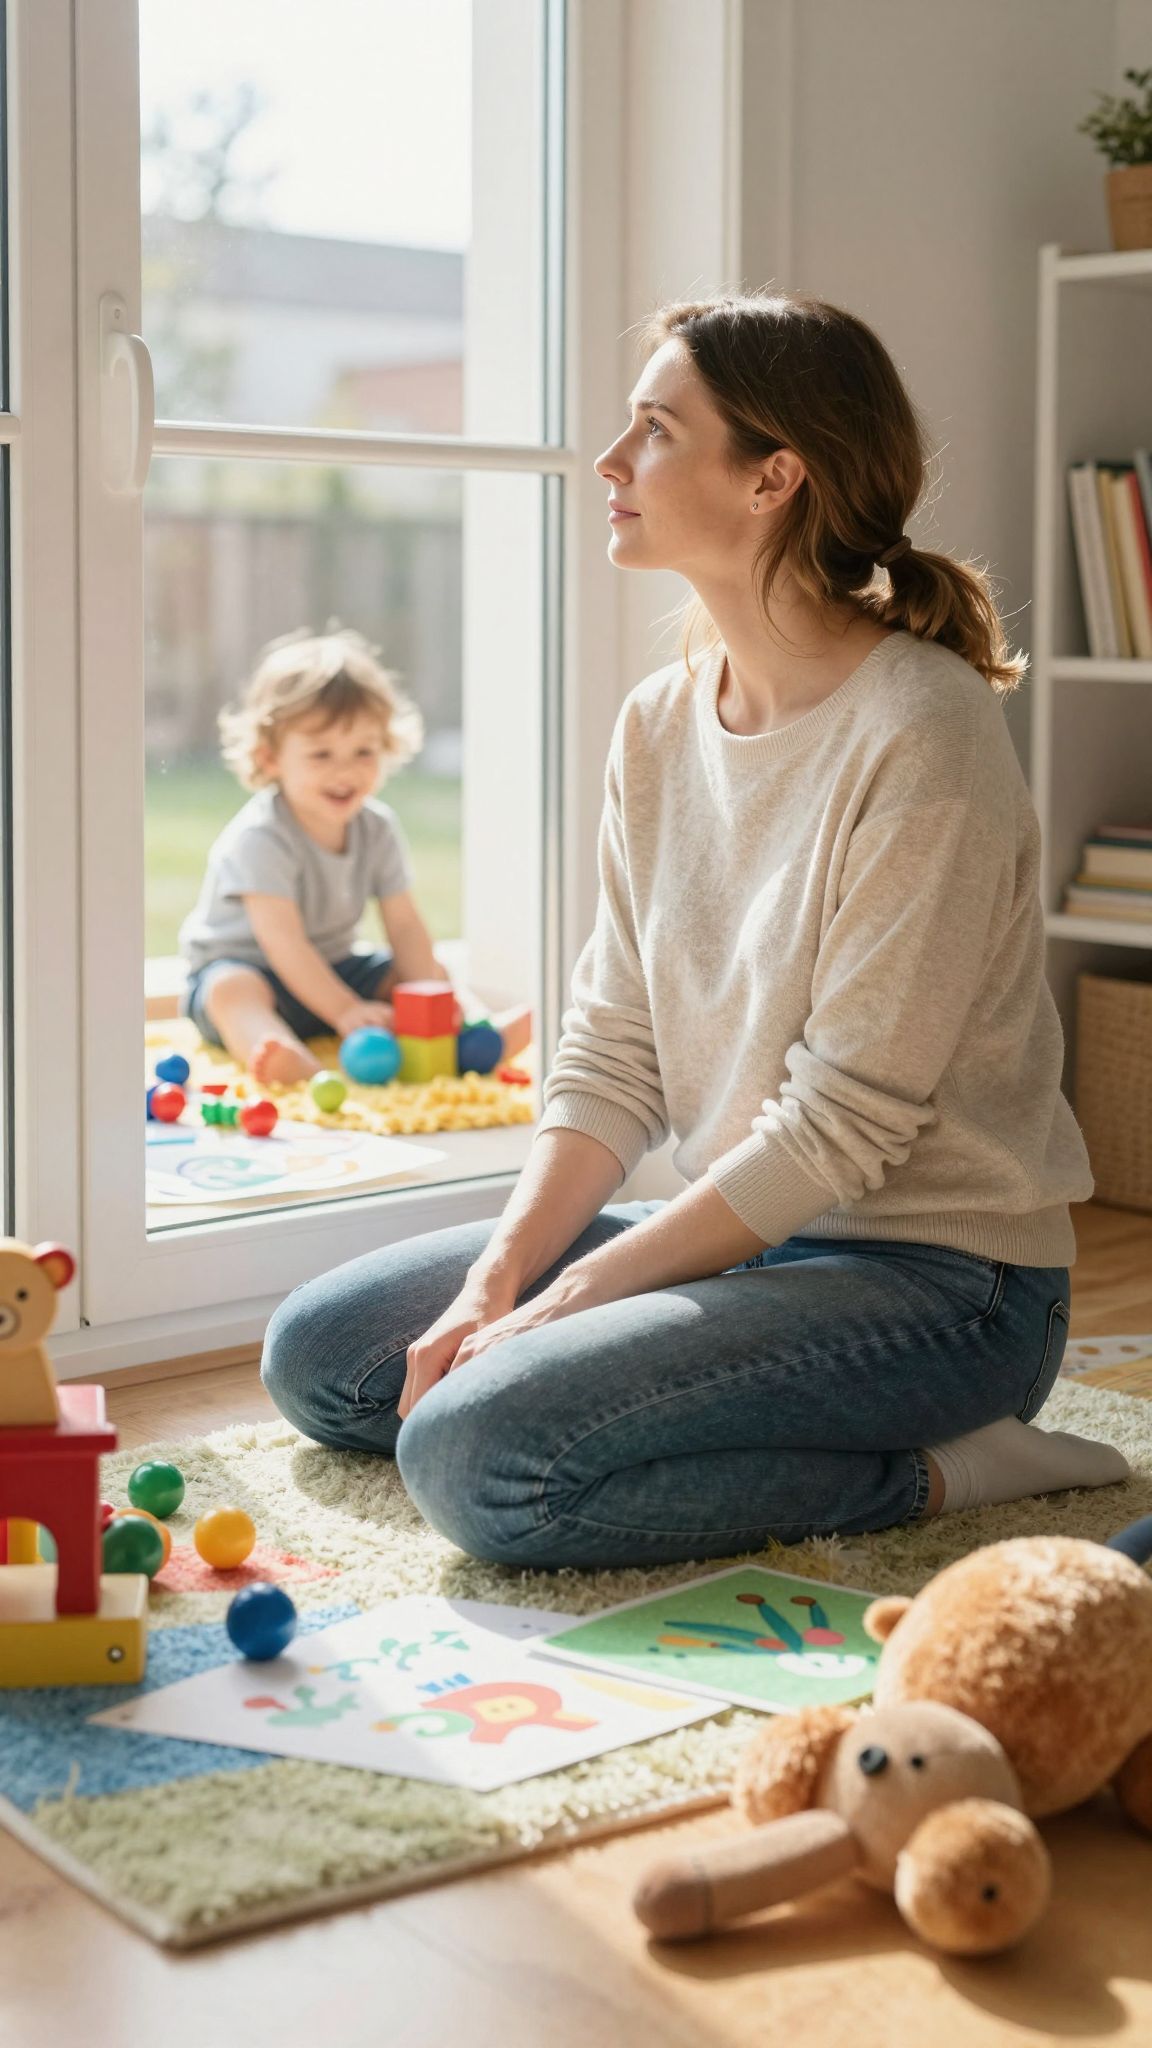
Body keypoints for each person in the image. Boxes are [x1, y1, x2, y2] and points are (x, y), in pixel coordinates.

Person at [260, 290, 1128, 1571]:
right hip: (747, 1243)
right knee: (325, 1357)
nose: (611, 460)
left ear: (775, 477)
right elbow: (614, 1046)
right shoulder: (660, 722)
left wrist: (574, 1297)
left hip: (945, 1285)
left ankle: (950, 1467)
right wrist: (501, 1278)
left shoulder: (923, 730)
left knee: (478, 1460)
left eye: (657, 429)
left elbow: (844, 1121)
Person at [178, 625, 532, 1086]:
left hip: (333, 968)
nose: (345, 771)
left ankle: (468, 1032)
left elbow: (404, 925)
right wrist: (345, 1010)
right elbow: (284, 944)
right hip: (254, 971)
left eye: (363, 751)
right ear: (270, 759)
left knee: (418, 974)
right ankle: (279, 1053)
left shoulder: (376, 828)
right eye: (321, 754)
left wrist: (430, 995)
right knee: (232, 990)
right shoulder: (259, 838)